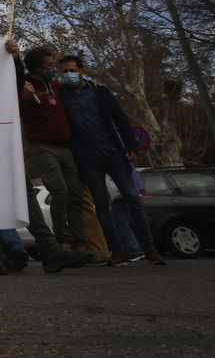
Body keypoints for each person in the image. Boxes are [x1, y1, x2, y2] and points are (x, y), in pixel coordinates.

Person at [56, 53, 164, 266]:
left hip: (112, 151)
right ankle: (116, 250)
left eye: (72, 70)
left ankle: (150, 248)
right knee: (101, 204)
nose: (68, 74)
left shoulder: (99, 91)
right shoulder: (62, 96)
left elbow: (120, 117)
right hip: (87, 157)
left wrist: (130, 146)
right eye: (65, 71)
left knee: (131, 197)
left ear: (82, 71)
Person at [18, 45, 102, 268]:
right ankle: (61, 239)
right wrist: (24, 98)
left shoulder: (57, 87)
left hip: (65, 146)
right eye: (47, 65)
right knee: (59, 191)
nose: (52, 68)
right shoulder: (26, 87)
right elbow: (16, 113)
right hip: (41, 147)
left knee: (75, 194)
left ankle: (79, 243)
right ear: (36, 67)